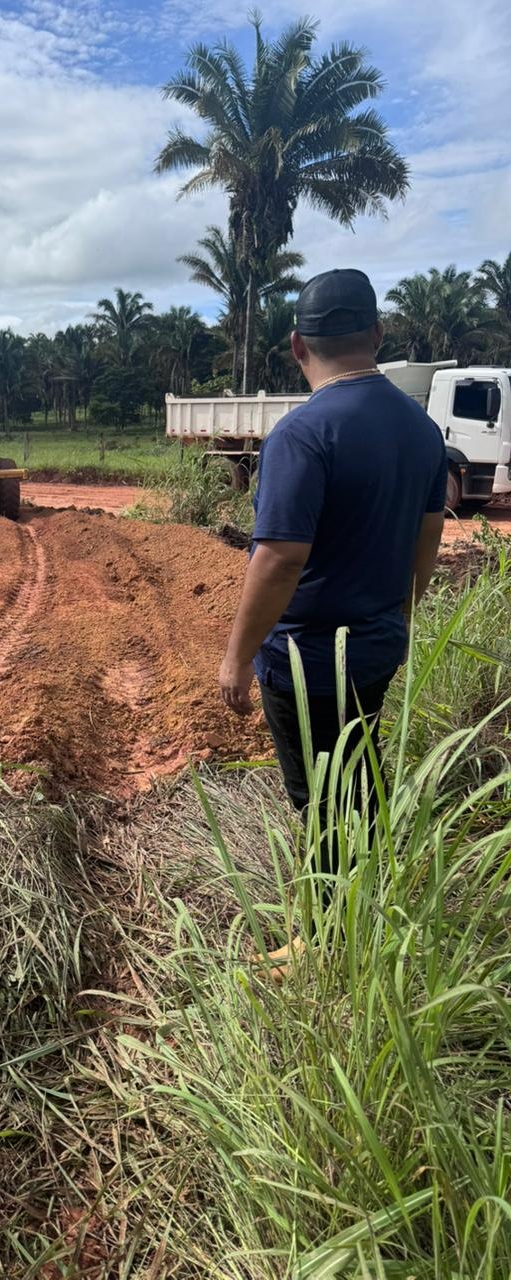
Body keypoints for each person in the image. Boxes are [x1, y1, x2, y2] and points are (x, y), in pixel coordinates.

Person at [218, 268, 447, 975]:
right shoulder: (420, 427)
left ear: (296, 346)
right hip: (377, 647)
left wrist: (235, 658)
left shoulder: (303, 432)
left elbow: (280, 557)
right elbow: (428, 535)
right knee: (353, 778)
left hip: (309, 659)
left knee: (320, 801)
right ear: (376, 335)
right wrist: (399, 616)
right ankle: (371, 903)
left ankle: (321, 943)